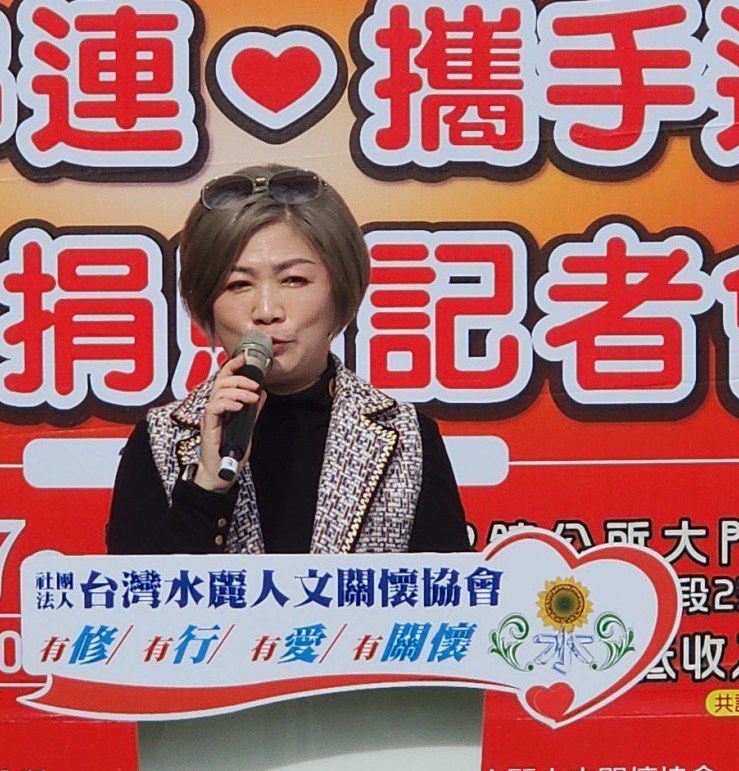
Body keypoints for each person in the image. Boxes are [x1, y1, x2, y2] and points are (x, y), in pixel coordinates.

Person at [105, 164, 470, 554]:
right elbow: (135, 590)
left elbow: (445, 590)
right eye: (238, 284)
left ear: (340, 288)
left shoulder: (406, 438)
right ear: (206, 302)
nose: (266, 311)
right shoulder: (161, 439)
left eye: (294, 280)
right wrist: (206, 487)